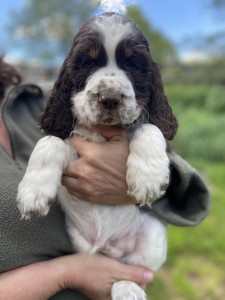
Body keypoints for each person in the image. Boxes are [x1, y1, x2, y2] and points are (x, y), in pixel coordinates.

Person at [0, 56, 210, 300]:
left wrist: (133, 176)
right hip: (82, 253)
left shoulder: (38, 97)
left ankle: (124, 280)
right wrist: (64, 273)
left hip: (133, 247)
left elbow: (181, 188)